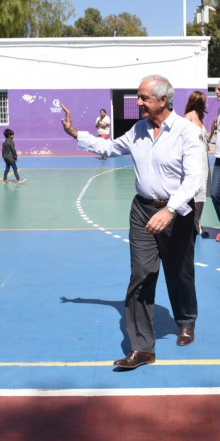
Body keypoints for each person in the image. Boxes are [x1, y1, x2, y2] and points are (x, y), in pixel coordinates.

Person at [61, 74, 202, 369]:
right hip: (141, 211)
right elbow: (109, 148)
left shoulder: (186, 132)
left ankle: (186, 320)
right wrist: (75, 134)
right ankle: (142, 349)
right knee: (141, 274)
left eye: (143, 98)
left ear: (163, 100)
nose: (138, 103)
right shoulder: (138, 129)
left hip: (176, 213)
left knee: (180, 273)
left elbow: (193, 179)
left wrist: (169, 210)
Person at [184, 91, 211, 237]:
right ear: (198, 102)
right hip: (194, 158)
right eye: (204, 101)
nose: (206, 104)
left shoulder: (200, 118)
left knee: (202, 190)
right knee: (194, 189)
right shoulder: (188, 118)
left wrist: (213, 127)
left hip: (204, 158)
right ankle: (190, 222)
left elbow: (206, 138)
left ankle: (198, 222)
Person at [209, 80, 220, 241]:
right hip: (218, 158)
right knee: (214, 194)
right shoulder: (219, 109)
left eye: (219, 89)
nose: (216, 91)